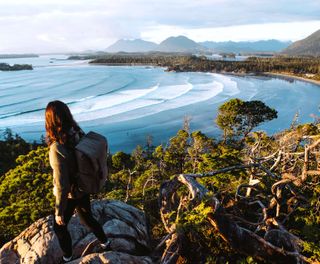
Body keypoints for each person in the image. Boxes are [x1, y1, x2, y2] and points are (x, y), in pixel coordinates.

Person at [45, 100, 110, 262]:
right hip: (83, 186)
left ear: (50, 121)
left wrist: (59, 210)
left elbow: (62, 184)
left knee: (59, 228)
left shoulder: (56, 148)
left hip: (71, 193)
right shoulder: (76, 131)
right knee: (87, 218)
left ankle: (68, 258)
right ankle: (106, 243)